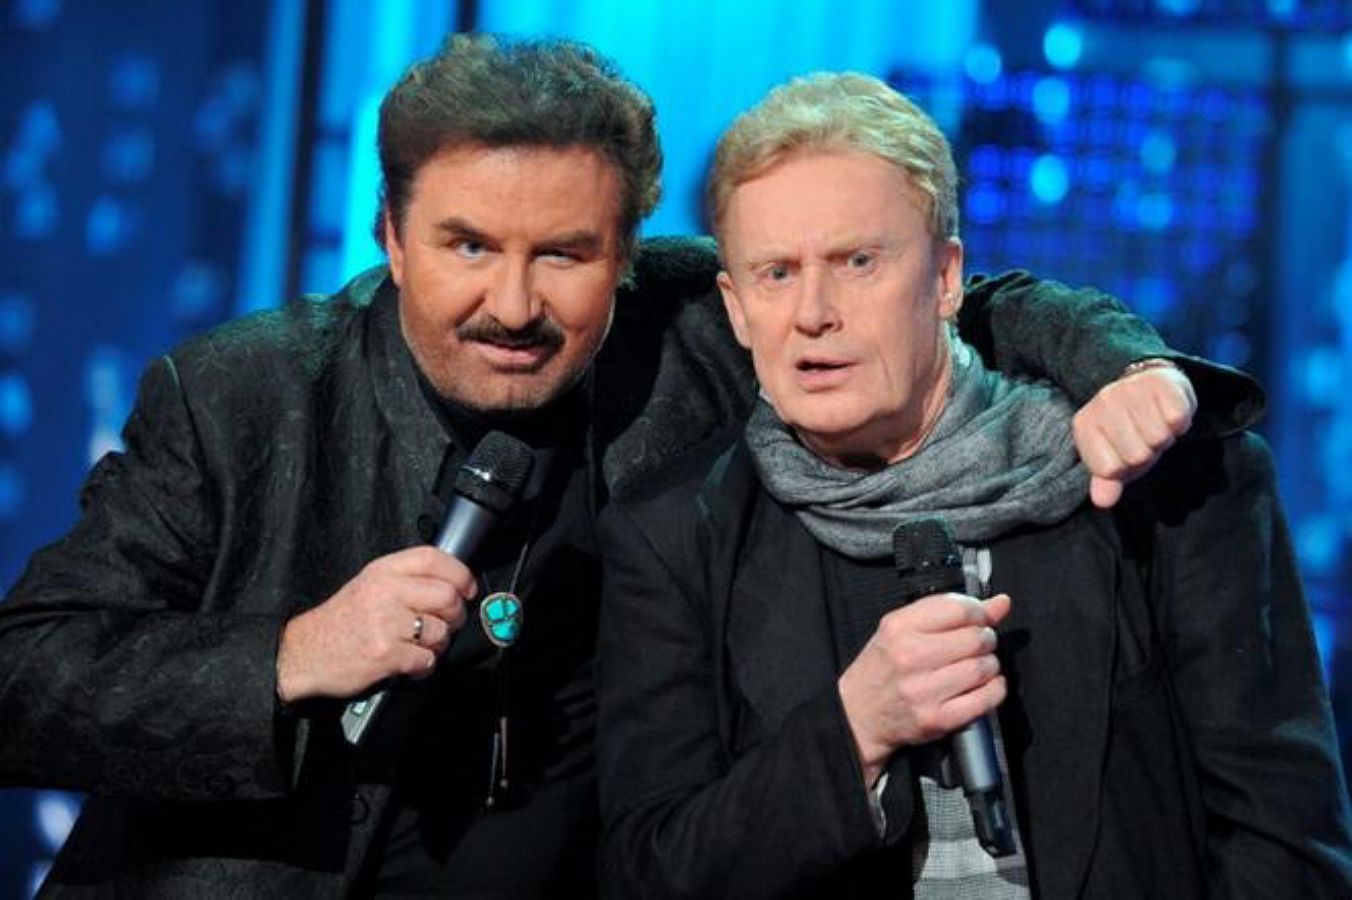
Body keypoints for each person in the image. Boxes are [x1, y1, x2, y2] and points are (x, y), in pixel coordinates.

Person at [0, 36, 1253, 897]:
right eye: (466, 245)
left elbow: (951, 302)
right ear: (388, 235)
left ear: (627, 253)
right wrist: (288, 656)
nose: (513, 303)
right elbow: (24, 677)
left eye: (564, 254)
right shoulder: (241, 395)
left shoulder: (693, 324)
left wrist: (1124, 367)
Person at [595, 72, 1352, 898]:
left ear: (948, 277)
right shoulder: (672, 538)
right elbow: (649, 871)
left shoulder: (1164, 483)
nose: (813, 312)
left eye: (858, 261)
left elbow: (1286, 848)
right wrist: (854, 732)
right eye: (776, 273)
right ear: (737, 309)